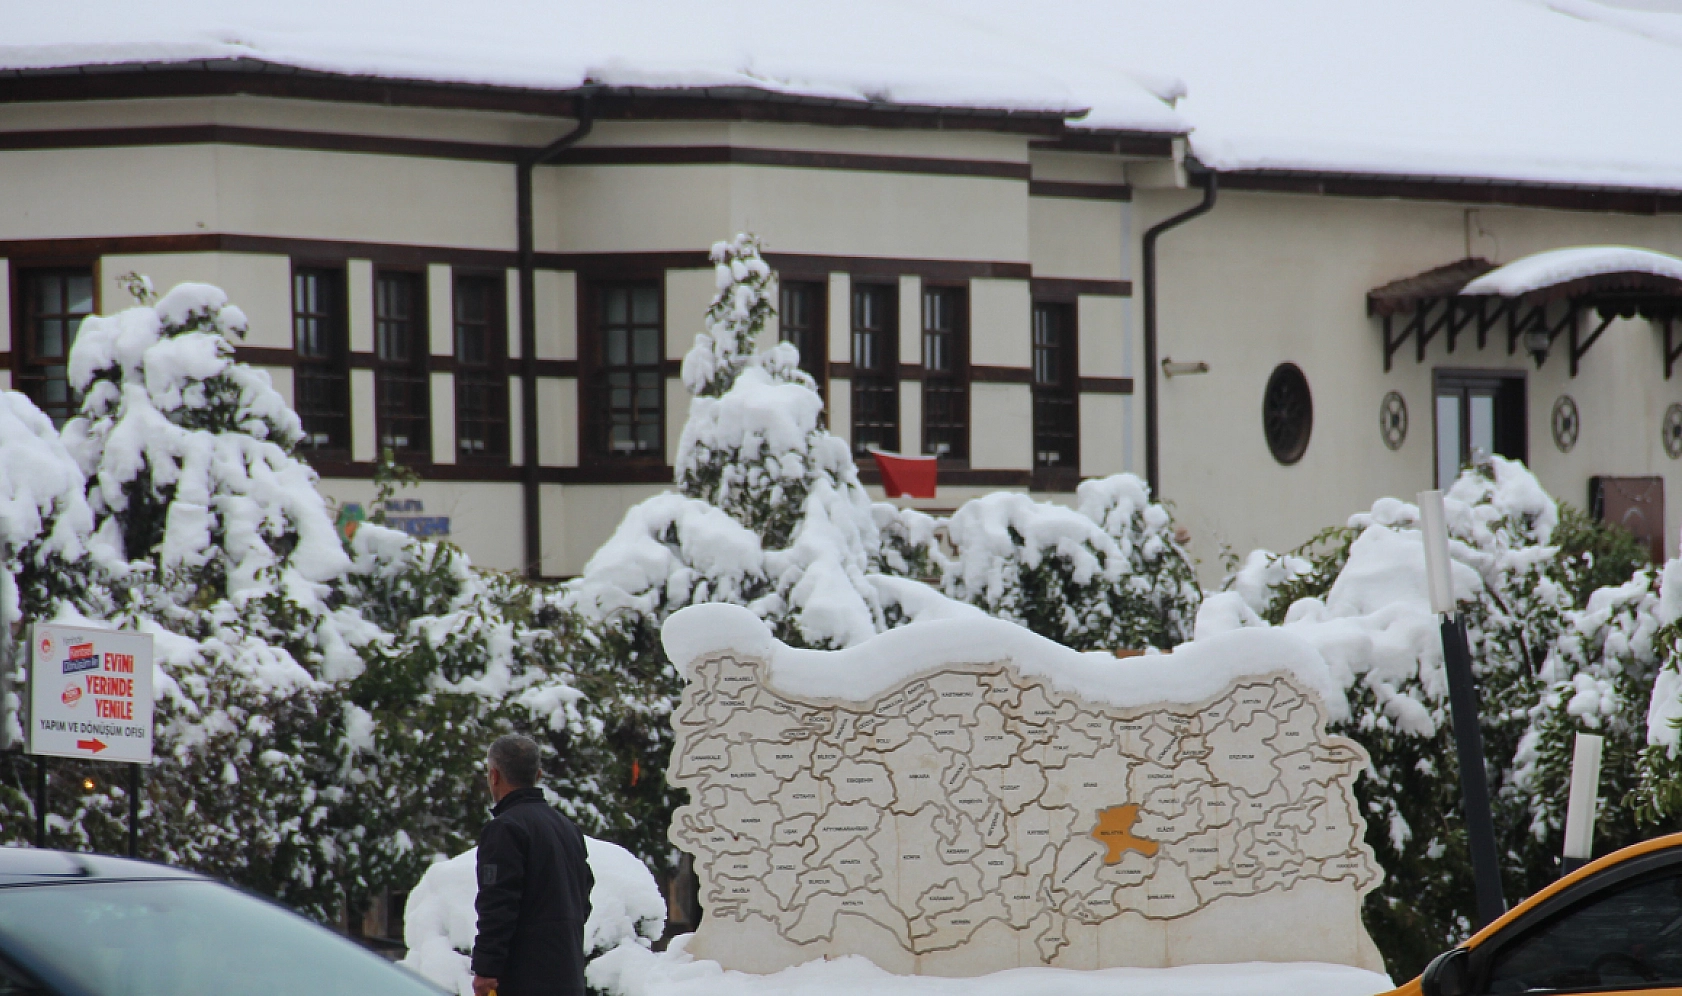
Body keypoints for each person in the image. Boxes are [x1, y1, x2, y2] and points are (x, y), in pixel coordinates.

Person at [471, 734, 594, 996]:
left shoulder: (505, 829)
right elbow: (583, 900)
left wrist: (486, 970)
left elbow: (497, 904)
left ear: (494, 775)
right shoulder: (567, 828)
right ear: (538, 774)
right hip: (568, 975)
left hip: (522, 979)